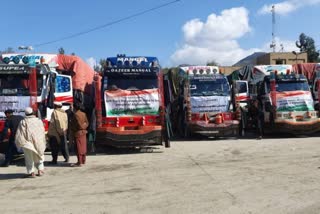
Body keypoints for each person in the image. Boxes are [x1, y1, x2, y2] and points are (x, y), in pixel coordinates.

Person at [15, 107, 46, 178]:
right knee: (39, 155)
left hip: (28, 143)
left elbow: (20, 133)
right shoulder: (39, 121)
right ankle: (40, 170)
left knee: (29, 158)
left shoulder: (23, 122)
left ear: (25, 114)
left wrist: (20, 142)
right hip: (38, 141)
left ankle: (32, 173)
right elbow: (42, 131)